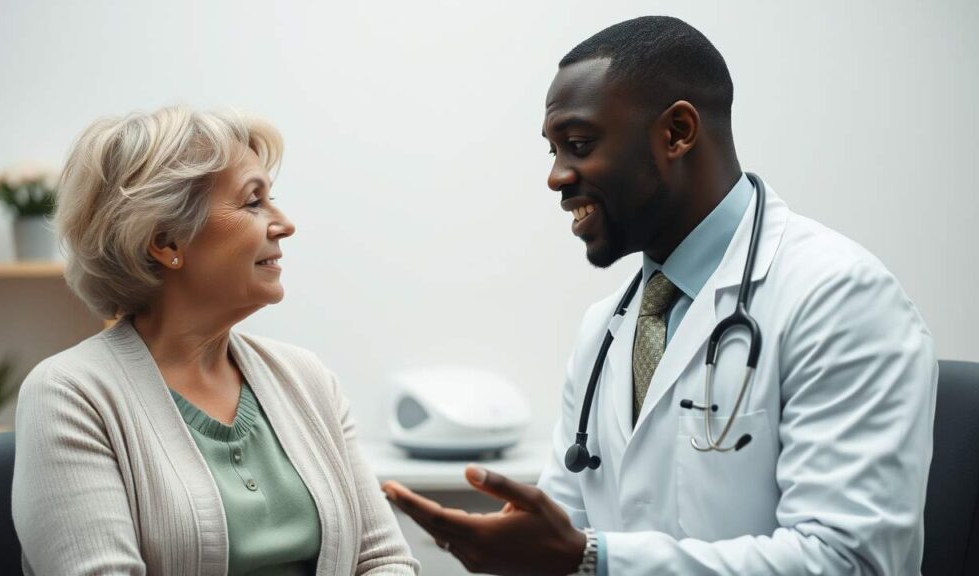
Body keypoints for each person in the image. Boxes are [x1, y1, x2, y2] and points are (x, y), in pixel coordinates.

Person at [382, 16, 937, 575]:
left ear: (676, 132)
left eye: (577, 144)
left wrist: (594, 560)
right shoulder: (607, 329)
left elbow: (852, 561)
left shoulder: (838, 297)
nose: (556, 177)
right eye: (552, 151)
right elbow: (564, 533)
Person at [11, 106, 420, 576]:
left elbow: (383, 560)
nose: (285, 223)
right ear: (166, 241)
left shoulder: (307, 380)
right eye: (252, 202)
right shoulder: (70, 394)